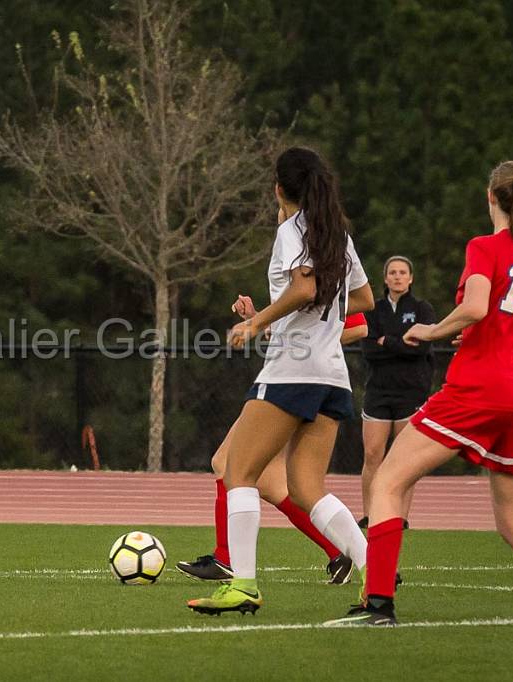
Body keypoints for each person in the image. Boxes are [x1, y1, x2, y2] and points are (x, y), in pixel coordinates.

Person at [326, 160, 513, 626]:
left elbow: (475, 307)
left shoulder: (484, 246)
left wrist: (433, 330)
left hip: (477, 389)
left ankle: (378, 605)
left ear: (490, 196)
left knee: (388, 482)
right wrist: (507, 342)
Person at [187, 146, 375, 616]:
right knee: (307, 487)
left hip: (293, 370)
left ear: (278, 189)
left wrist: (258, 323)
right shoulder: (338, 236)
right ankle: (376, 572)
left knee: (238, 471)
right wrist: (298, 321)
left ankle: (243, 585)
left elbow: (305, 287)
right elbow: (366, 299)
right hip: (333, 374)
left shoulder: (293, 229)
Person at [176, 308, 367, 585]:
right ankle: (339, 551)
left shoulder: (314, 268)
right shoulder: (300, 275)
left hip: (298, 379)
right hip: (295, 375)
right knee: (271, 483)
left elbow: (359, 327)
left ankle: (226, 559)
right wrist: (261, 318)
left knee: (228, 463)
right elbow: (300, 320)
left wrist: (266, 326)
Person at [358, 256, 435, 527]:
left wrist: (386, 342)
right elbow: (368, 349)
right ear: (385, 278)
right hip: (378, 391)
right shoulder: (373, 309)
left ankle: (399, 517)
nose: (398, 277)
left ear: (411, 278)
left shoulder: (422, 309)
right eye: (392, 272)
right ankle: (370, 514)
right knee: (372, 455)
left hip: (411, 393)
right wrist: (401, 343)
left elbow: (422, 349)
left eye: (403, 272)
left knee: (404, 459)